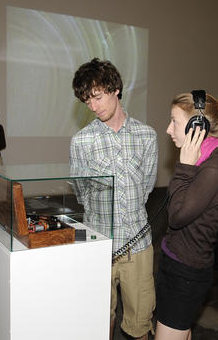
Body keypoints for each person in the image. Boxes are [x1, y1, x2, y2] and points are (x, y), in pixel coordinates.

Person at [69, 58, 158, 340]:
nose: (93, 107)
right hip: (97, 245)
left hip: (138, 245)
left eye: (97, 97)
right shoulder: (81, 141)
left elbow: (146, 187)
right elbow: (80, 194)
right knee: (97, 324)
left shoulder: (147, 136)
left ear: (115, 89)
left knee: (140, 325)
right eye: (87, 101)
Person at [155, 92, 218, 340]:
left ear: (197, 127)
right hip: (176, 262)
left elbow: (176, 217)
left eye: (175, 122)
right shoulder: (202, 161)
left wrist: (184, 168)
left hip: (186, 273)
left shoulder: (212, 169)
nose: (169, 129)